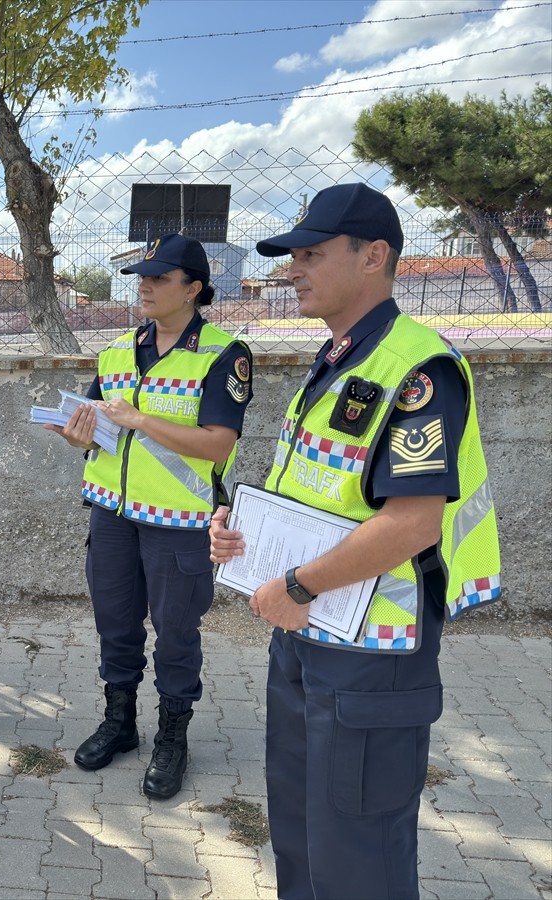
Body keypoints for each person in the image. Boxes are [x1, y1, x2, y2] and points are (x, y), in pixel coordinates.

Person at [208, 183, 501, 899]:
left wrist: (300, 585)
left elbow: (412, 522)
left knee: (359, 859)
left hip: (374, 657)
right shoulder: (338, 360)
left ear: (373, 256)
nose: (293, 268)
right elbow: (318, 493)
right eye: (292, 255)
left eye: (311, 253)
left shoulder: (417, 367)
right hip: (309, 636)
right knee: (304, 839)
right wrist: (244, 534)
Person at [47, 233, 252, 800]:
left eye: (161, 278)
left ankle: (172, 737)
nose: (147, 286)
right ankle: (120, 724)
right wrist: (76, 435)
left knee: (176, 635)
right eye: (143, 276)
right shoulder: (115, 351)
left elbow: (217, 444)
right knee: (115, 625)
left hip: (181, 524)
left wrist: (139, 419)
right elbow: (100, 432)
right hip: (112, 514)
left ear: (194, 289)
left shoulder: (223, 353)